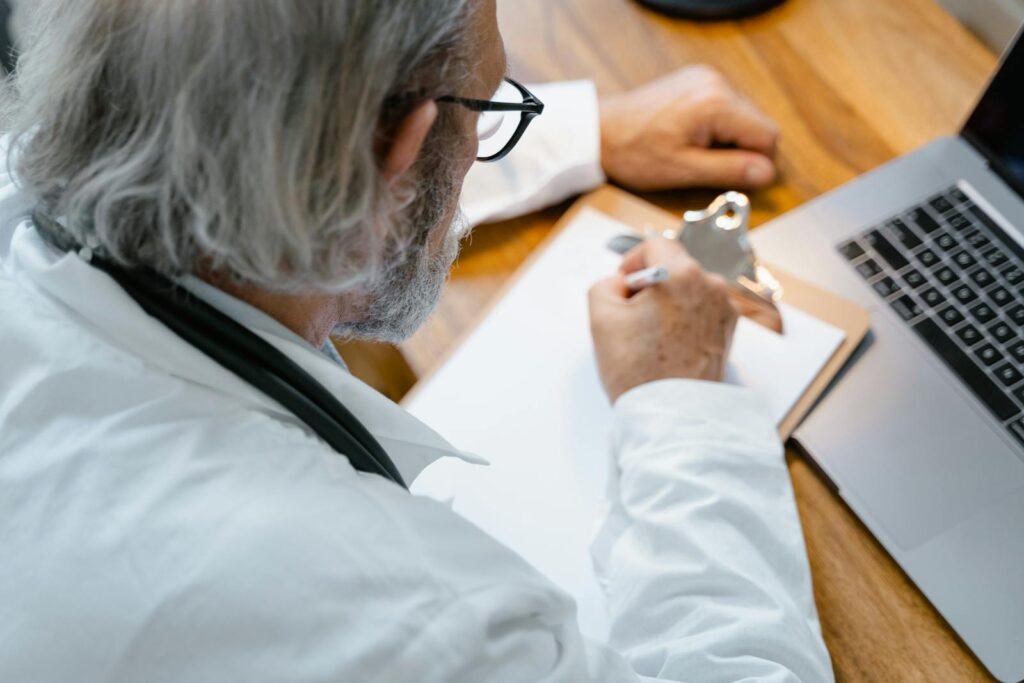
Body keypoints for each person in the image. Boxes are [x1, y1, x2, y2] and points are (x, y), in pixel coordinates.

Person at [0, 1, 832, 681]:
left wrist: (587, 132)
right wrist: (679, 399)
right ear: (393, 147)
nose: (479, 146)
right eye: (488, 109)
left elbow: (230, 103)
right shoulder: (415, 624)